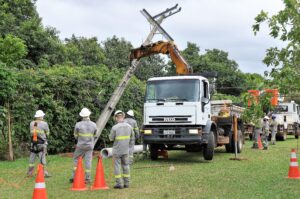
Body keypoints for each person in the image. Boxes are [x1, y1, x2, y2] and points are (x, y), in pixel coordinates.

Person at [70, 107, 97, 184]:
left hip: (80, 145)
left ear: (82, 115)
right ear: (89, 115)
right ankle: (87, 178)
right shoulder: (94, 125)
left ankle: (74, 177)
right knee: (88, 162)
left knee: (76, 159)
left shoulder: (78, 124)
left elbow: (75, 135)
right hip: (90, 146)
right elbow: (95, 135)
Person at [109, 110, 134, 189]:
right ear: (123, 117)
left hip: (117, 150)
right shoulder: (129, 127)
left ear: (116, 118)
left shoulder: (114, 127)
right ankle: (127, 183)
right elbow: (132, 138)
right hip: (126, 150)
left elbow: (111, 138)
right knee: (126, 166)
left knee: (117, 166)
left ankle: (119, 184)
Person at [27, 110, 51, 177]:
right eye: (42, 116)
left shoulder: (32, 123)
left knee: (32, 159)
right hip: (41, 144)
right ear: (40, 116)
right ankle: (44, 173)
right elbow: (47, 133)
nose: (43, 116)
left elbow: (33, 132)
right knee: (42, 158)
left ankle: (30, 173)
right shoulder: (44, 124)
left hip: (33, 144)